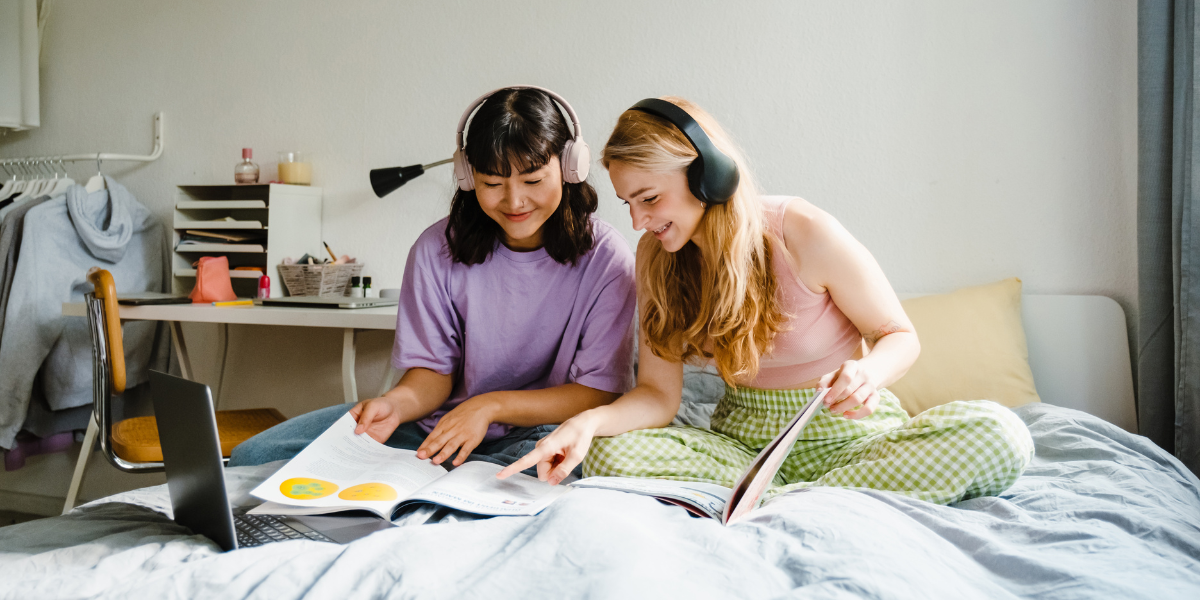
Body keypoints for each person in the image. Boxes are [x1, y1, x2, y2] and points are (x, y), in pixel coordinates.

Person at [499, 97, 1033, 505]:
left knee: (1000, 435)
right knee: (610, 455)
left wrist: (868, 375)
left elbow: (899, 335)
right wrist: (588, 425)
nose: (638, 222)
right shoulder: (655, 257)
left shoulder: (802, 230)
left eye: (650, 198)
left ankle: (782, 502)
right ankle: (814, 500)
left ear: (707, 174)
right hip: (739, 448)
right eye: (629, 204)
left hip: (845, 438)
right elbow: (659, 398)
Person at [231, 87, 637, 472]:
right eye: (492, 184)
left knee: (526, 478)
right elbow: (431, 374)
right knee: (257, 456)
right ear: (467, 176)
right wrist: (396, 404)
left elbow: (598, 392)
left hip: (543, 432)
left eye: (533, 181)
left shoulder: (607, 259)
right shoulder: (435, 250)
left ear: (570, 168)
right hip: (440, 426)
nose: (514, 201)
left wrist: (490, 407)